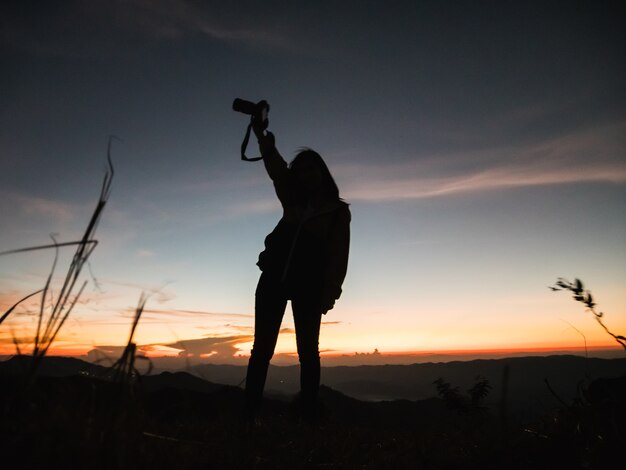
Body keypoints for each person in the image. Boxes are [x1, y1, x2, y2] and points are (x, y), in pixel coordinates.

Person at [243, 126, 351, 424]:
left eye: (311, 169)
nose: (306, 175)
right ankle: (248, 416)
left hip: (309, 287)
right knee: (261, 350)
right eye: (301, 171)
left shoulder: (337, 212)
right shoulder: (292, 201)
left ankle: (307, 417)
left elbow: (338, 255)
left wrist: (330, 292)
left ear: (322, 172)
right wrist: (265, 145)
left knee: (308, 352)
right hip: (273, 279)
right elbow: (278, 171)